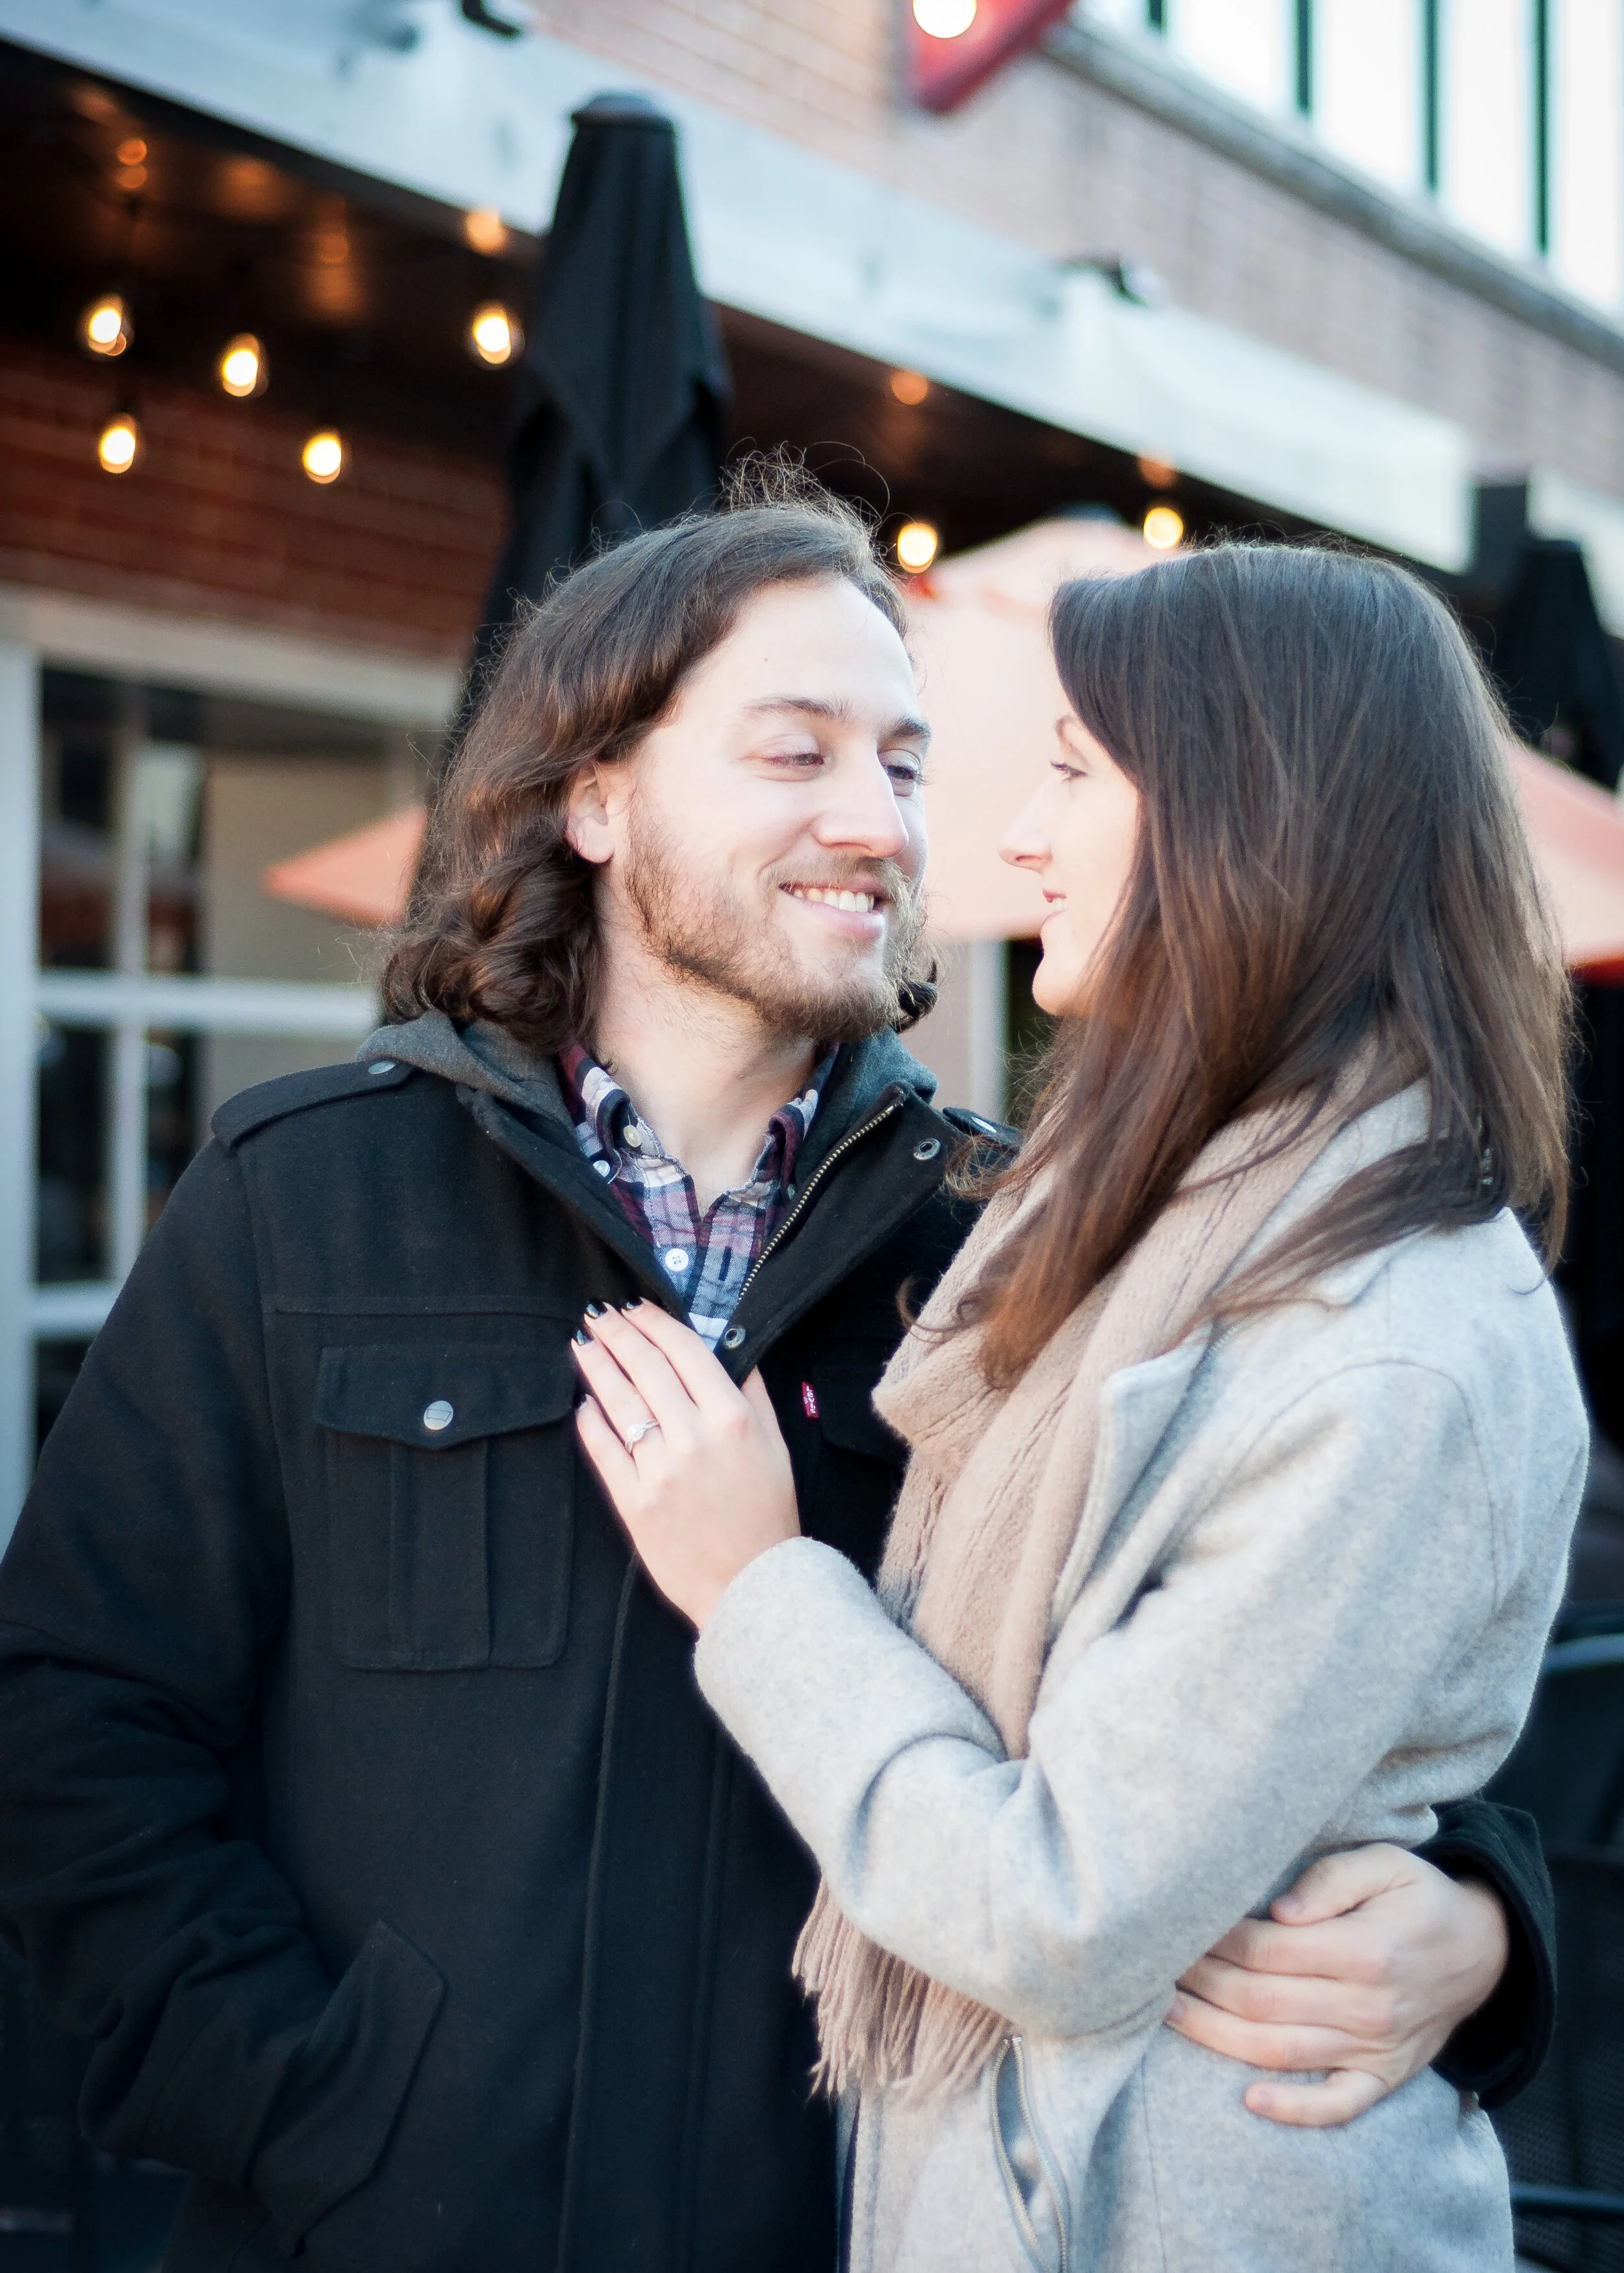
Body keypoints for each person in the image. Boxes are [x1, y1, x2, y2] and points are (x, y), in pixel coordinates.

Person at [0, 500, 1556, 2273]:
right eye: (795, 750)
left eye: (903, 763)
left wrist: (1482, 1915)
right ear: (596, 795)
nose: (875, 819)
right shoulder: (300, 1195)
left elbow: (1282, 1664)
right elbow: (72, 1732)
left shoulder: (1027, 1247)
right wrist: (318, 2113)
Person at [568, 540, 1586, 2271]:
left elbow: (1065, 1894)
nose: (1000, 839)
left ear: (1240, 812)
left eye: (1063, 772)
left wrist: (753, 1584)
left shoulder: (1375, 1340)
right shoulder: (1109, 1222)